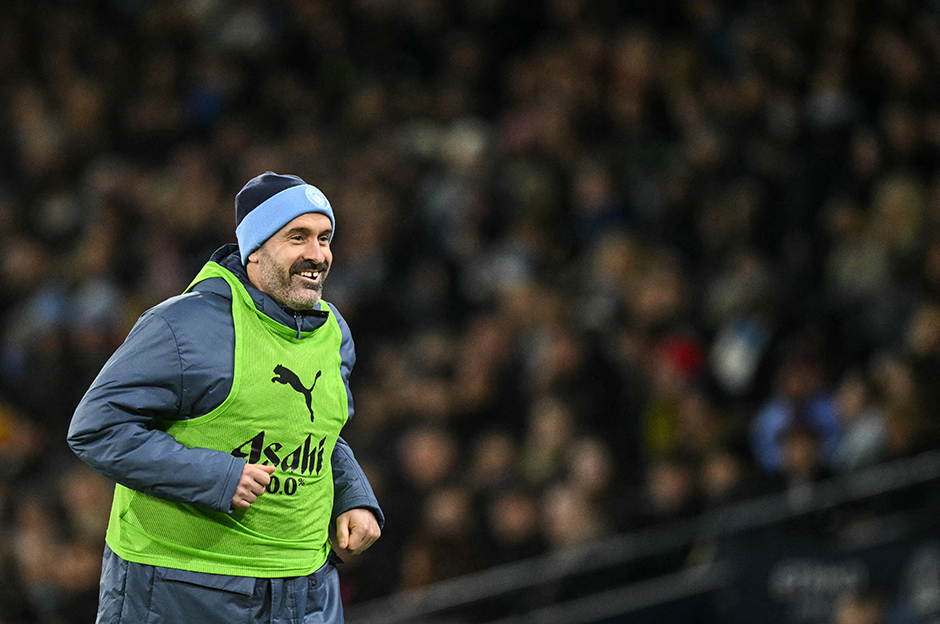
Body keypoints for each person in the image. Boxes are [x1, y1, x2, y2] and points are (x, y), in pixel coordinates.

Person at [67, 172, 383, 623]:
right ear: (255, 248)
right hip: (183, 587)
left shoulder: (333, 332)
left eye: (324, 238)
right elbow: (96, 429)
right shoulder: (182, 326)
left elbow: (315, 429)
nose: (318, 254)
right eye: (297, 237)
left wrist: (352, 494)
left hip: (305, 587)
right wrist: (217, 477)